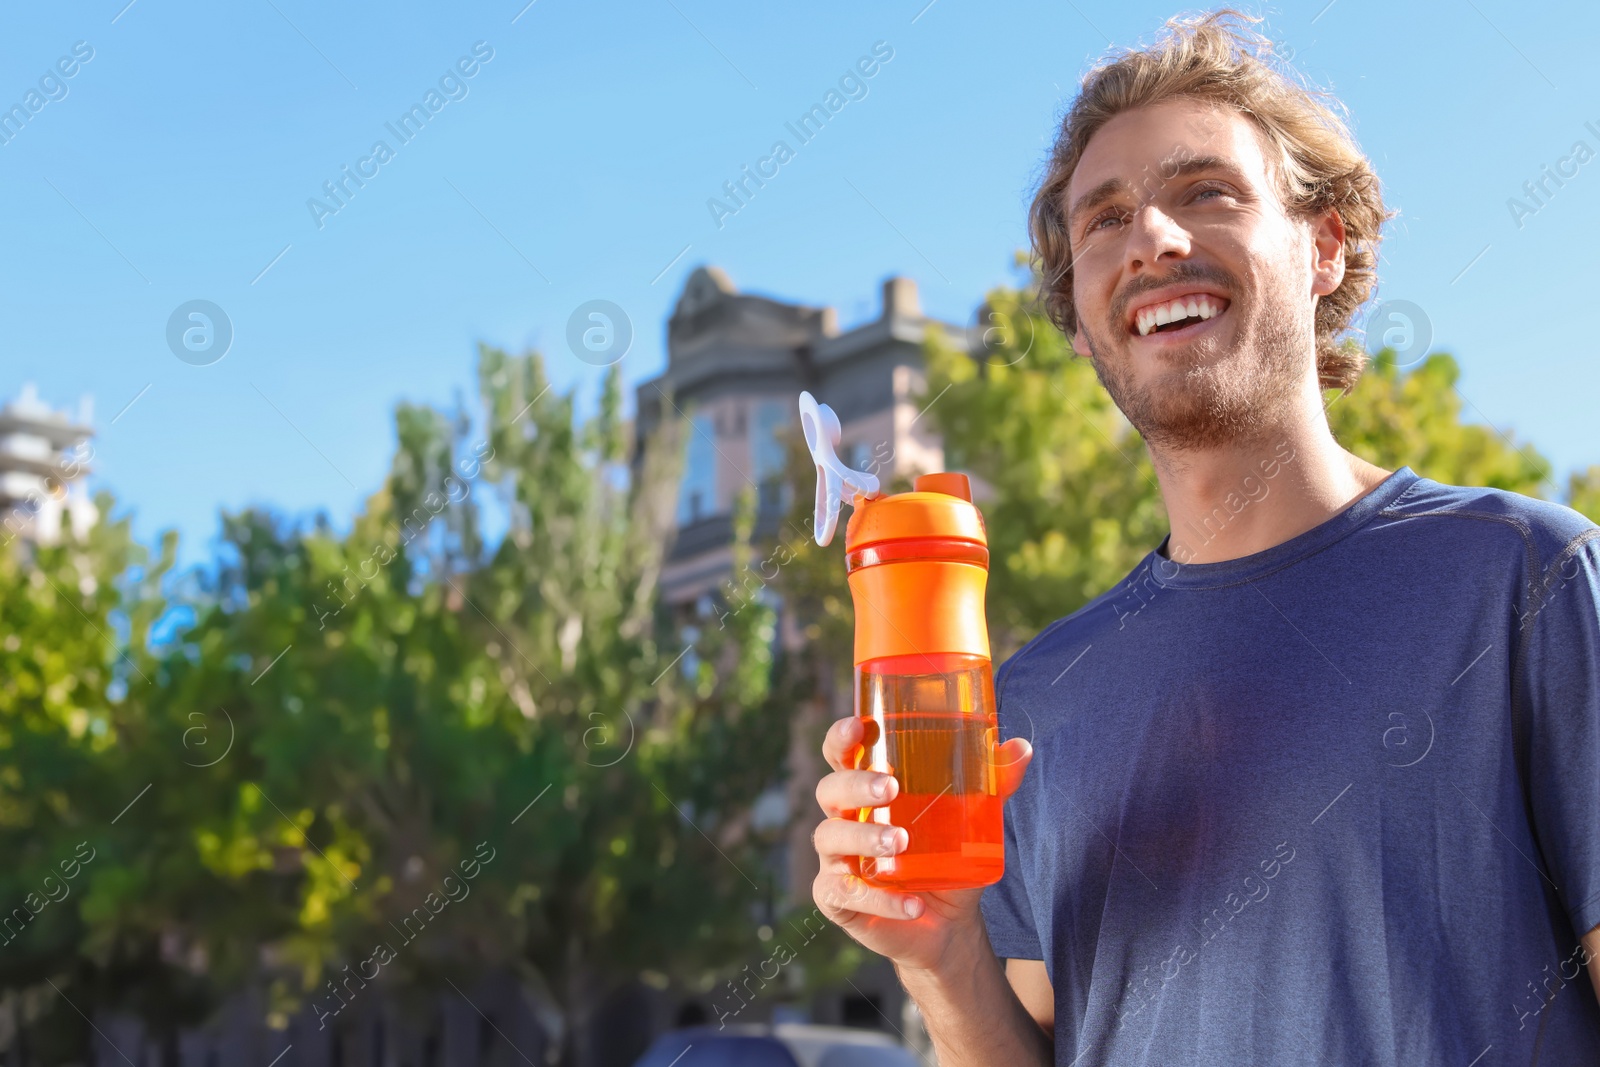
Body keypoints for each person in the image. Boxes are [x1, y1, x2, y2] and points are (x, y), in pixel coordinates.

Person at [810, 9, 1600, 1064]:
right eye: (1105, 220)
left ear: (1325, 245)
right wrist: (941, 957)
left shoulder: (1527, 579)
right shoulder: (1037, 697)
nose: (1151, 238)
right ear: (1084, 319)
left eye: (1205, 192)